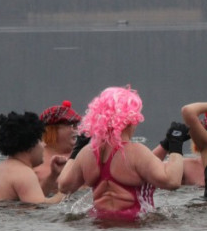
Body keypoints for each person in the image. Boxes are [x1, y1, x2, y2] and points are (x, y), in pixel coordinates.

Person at [58, 86, 184, 221]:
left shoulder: (86, 154)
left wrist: (76, 151)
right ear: (131, 120)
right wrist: (176, 144)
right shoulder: (136, 151)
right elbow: (172, 181)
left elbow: (64, 186)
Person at [0, 111, 64, 204]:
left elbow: (32, 196)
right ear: (30, 145)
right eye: (40, 140)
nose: (44, 144)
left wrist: (53, 175)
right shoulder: (24, 173)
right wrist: (67, 190)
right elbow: (40, 206)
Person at [35, 100, 81, 196]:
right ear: (52, 130)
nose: (77, 130)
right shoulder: (33, 158)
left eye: (77, 125)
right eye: (72, 125)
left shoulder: (84, 155)